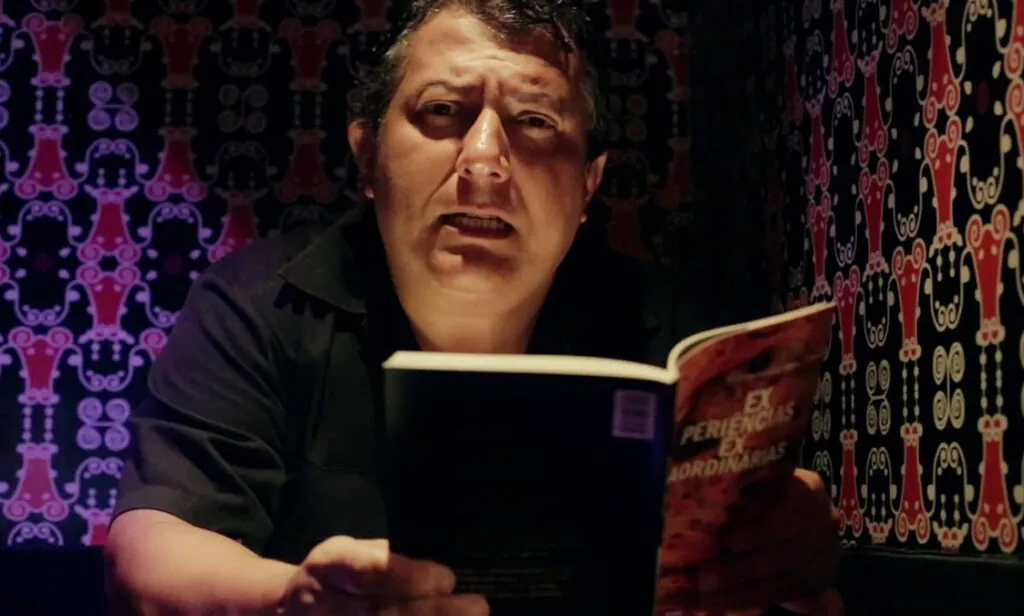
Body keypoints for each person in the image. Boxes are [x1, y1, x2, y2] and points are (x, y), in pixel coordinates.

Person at [104, 1, 842, 614]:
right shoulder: (257, 304)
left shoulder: (677, 338)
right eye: (442, 111)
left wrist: (790, 549)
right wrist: (292, 597)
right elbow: (152, 546)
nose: (484, 162)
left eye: (535, 121)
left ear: (588, 185)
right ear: (367, 157)